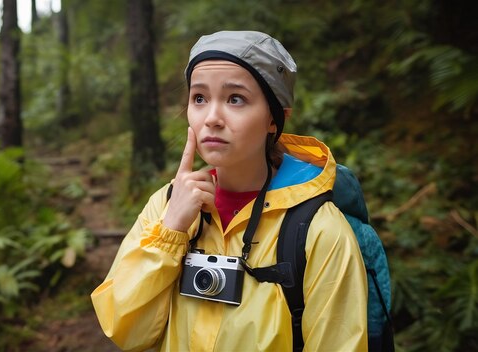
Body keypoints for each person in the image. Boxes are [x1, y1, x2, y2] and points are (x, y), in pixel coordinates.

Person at [91, 30, 368, 351]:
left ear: (275, 119)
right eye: (199, 98)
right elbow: (125, 330)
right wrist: (172, 233)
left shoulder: (318, 229)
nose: (211, 118)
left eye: (235, 99)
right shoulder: (168, 204)